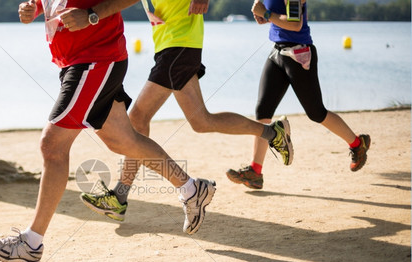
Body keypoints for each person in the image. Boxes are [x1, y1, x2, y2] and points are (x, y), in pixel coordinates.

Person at [0, 0, 217, 262]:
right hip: (76, 61)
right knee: (123, 141)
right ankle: (191, 188)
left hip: (96, 58)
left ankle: (31, 243)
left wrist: (92, 16)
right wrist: (33, 7)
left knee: (52, 146)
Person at [79, 0, 294, 222]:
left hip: (179, 45)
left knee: (138, 118)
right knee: (201, 121)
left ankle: (119, 197)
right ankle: (273, 133)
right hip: (172, 45)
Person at [226, 0, 370, 190]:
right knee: (263, 109)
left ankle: (357, 143)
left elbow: (295, 24)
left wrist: (267, 14)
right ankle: (255, 171)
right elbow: (275, 13)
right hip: (277, 51)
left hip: (298, 54)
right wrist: (264, 14)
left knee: (316, 112)